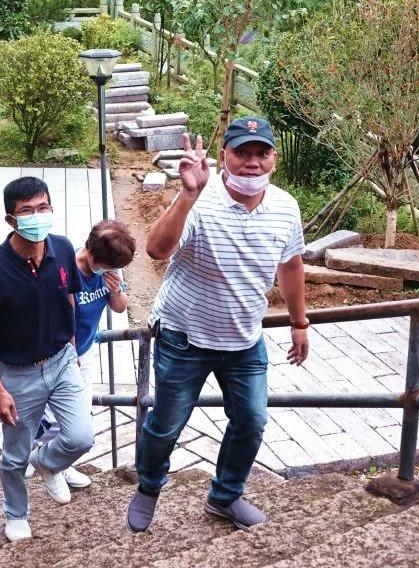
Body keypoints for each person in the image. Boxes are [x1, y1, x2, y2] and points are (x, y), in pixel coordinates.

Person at [127, 120, 310, 534]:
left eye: (261, 153)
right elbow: (157, 250)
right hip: (183, 337)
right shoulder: (200, 200)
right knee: (167, 424)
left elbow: (291, 264)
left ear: (274, 161)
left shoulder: (285, 206)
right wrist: (187, 194)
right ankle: (149, 487)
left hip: (245, 339)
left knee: (251, 420)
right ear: (224, 155)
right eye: (242, 153)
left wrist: (300, 323)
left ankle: (225, 497)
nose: (252, 162)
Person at [0, 177, 94, 543]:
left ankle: (48, 462)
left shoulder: (63, 249)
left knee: (81, 437)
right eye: (27, 211)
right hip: (17, 374)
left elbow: (69, 297)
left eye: (43, 208)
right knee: (14, 455)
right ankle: (16, 513)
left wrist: (72, 347)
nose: (37, 216)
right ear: (11, 219)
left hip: (61, 360)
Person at [30, 219, 136, 490]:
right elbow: (63, 317)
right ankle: (38, 459)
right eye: (109, 266)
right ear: (92, 253)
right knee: (60, 418)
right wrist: (71, 355)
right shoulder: (67, 270)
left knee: (79, 415)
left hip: (85, 351)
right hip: (60, 352)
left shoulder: (110, 269)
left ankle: (58, 463)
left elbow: (121, 307)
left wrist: (115, 290)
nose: (112, 271)